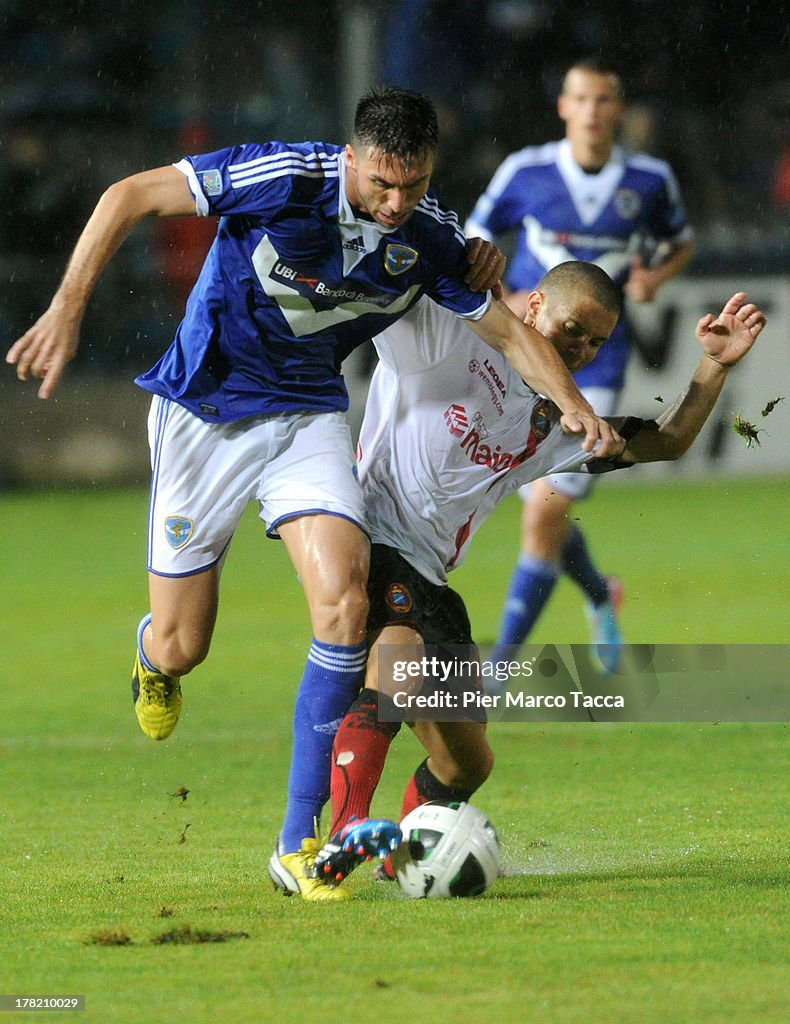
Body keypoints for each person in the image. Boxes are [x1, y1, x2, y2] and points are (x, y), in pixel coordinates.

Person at [5, 87, 620, 902]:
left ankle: (299, 844)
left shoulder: (428, 237)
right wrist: (68, 305)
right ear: (353, 158)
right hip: (206, 410)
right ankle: (154, 654)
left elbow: (510, 332)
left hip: (308, 416)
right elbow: (129, 195)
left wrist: (577, 410)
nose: (397, 204)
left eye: (414, 186)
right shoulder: (284, 177)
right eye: (382, 185)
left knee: (344, 601)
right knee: (188, 642)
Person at [308, 264, 764, 889]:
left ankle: (410, 860)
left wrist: (715, 365)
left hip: (435, 579)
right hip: (375, 539)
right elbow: (390, 274)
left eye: (595, 342)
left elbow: (669, 440)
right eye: (573, 329)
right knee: (401, 673)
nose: (580, 349)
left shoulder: (559, 420)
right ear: (535, 305)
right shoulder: (448, 335)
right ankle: (343, 833)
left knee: (467, 764)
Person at [465, 56, 695, 672]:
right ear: (563, 106)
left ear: (618, 110)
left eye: (603, 100)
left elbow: (681, 239)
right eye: (581, 99)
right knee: (543, 504)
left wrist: (654, 276)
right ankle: (600, 591)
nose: (592, 111)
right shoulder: (527, 171)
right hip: (522, 355)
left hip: (596, 365)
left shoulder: (647, 181)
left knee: (544, 510)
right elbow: (474, 237)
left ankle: (498, 669)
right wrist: (503, 298)